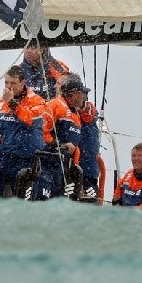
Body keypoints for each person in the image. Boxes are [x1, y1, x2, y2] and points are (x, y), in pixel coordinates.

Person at [0, 64, 47, 198]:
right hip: (4, 157)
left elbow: (29, 121)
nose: (9, 86)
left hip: (27, 159)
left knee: (24, 200)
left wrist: (12, 103)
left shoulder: (37, 101)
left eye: (13, 83)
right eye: (6, 82)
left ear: (23, 82)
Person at [55, 73, 101, 202]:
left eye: (59, 84)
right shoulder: (59, 107)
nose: (55, 86)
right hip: (64, 167)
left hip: (82, 168)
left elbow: (86, 112)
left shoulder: (83, 108)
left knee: (83, 204)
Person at [41, 76, 87, 198]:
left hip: (62, 169)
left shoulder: (75, 114)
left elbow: (74, 147)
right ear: (75, 94)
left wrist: (75, 170)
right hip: (47, 165)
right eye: (83, 94)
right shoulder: (55, 105)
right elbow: (41, 132)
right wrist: (59, 145)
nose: (84, 97)